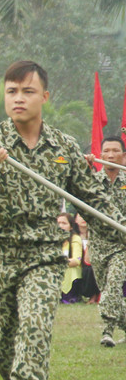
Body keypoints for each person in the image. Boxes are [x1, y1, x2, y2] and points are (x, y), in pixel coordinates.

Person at [0, 60, 126, 380]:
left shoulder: (63, 147)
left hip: (44, 257)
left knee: (34, 332)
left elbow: (93, 198)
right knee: (5, 349)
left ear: (44, 96)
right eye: (12, 91)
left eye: (27, 91)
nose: (18, 98)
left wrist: (119, 227)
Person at [84, 136, 126, 347]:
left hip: (122, 246)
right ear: (100, 155)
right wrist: (85, 169)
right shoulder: (93, 180)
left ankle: (107, 331)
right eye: (106, 151)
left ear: (123, 156)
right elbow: (81, 201)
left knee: (113, 287)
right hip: (98, 246)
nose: (110, 155)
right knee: (109, 292)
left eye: (115, 151)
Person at [57, 212, 84, 303]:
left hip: (71, 270)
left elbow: (76, 261)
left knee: (69, 269)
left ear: (71, 227)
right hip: (56, 268)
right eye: (58, 223)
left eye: (64, 223)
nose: (61, 226)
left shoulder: (75, 238)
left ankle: (68, 297)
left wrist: (58, 262)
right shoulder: (52, 240)